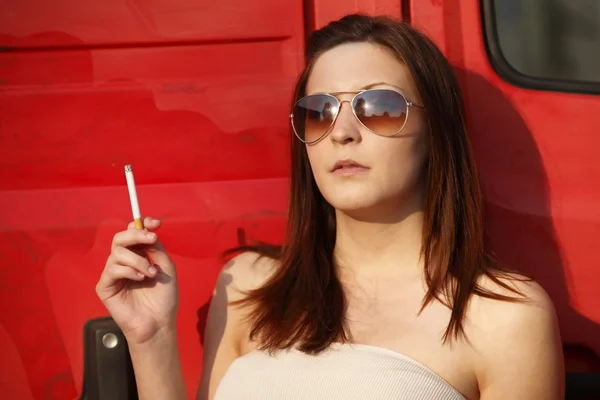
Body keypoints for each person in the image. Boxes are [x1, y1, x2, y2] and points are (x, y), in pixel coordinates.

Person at [96, 14, 565, 400]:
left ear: (435, 132)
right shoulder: (248, 286)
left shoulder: (506, 318)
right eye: (318, 111)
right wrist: (151, 337)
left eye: (378, 107)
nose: (341, 131)